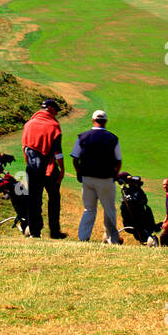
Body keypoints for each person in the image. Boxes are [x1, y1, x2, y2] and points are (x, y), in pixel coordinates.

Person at [71, 110, 123, 244]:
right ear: (105, 121)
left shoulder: (82, 137)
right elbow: (118, 160)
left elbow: (75, 159)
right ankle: (111, 239)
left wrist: (79, 172)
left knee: (89, 209)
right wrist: (115, 174)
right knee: (109, 209)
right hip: (106, 179)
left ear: (92, 120)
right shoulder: (113, 138)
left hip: (87, 178)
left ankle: (83, 238)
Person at [21, 99, 66, 239]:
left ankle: (35, 231)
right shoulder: (53, 126)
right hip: (49, 167)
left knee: (34, 199)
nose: (57, 114)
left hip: (32, 167)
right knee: (53, 198)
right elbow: (58, 152)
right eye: (56, 111)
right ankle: (54, 232)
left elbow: (24, 148)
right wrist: (62, 169)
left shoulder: (28, 124)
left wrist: (28, 163)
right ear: (51, 109)